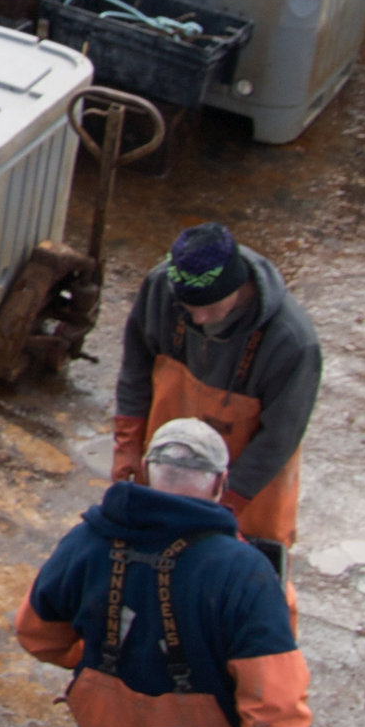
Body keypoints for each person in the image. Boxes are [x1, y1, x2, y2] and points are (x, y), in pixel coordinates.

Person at [16, 417, 311, 727]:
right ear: (219, 484)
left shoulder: (88, 540)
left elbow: (35, 633)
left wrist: (94, 664)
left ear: (149, 474)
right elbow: (274, 708)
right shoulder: (245, 573)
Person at [111, 224, 322, 552]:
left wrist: (226, 504)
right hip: (173, 457)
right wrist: (127, 443)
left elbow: (279, 437)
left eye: (208, 308)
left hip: (253, 476)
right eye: (187, 309)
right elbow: (134, 370)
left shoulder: (293, 343)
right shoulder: (160, 289)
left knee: (249, 565)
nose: (196, 319)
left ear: (239, 288)